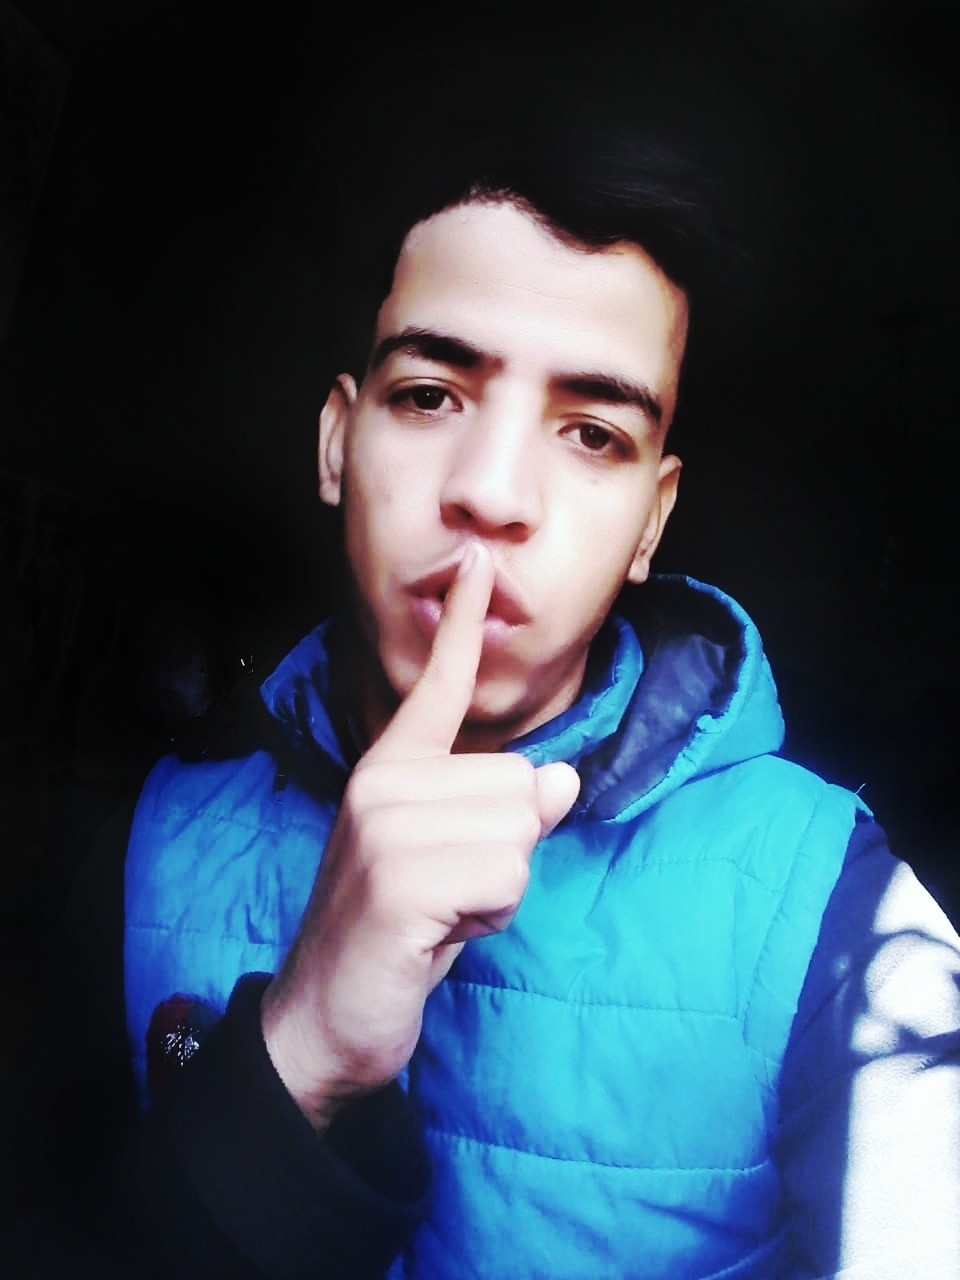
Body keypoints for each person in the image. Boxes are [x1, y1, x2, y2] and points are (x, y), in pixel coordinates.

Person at [4, 93, 959, 1280]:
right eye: (430, 395)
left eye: (593, 432)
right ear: (337, 442)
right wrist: (299, 1043)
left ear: (652, 519)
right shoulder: (150, 846)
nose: (494, 492)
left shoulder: (835, 908)